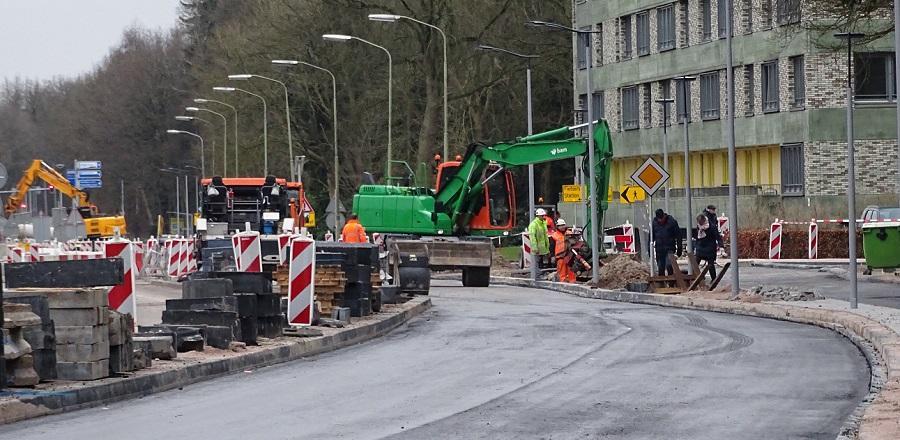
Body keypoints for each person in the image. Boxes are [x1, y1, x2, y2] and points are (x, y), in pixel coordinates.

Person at [652, 209, 682, 276]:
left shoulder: (671, 222)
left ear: (664, 216)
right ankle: (662, 284)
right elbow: (651, 236)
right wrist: (649, 249)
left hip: (669, 248)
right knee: (660, 268)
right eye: (659, 219)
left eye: (661, 219)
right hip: (659, 249)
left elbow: (678, 235)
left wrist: (679, 247)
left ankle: (671, 282)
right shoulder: (654, 223)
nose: (660, 221)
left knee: (669, 265)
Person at [695, 214, 718, 282]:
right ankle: (697, 277)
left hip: (710, 248)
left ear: (704, 220)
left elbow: (717, 236)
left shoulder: (712, 226)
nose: (700, 224)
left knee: (710, 265)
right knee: (696, 263)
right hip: (701, 247)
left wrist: (721, 247)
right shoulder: (699, 226)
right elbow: (698, 237)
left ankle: (713, 279)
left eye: (701, 223)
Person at [552, 219, 576, 283]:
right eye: (560, 225)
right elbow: (552, 246)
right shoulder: (554, 235)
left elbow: (574, 242)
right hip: (560, 256)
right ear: (557, 226)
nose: (562, 227)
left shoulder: (569, 233)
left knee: (571, 270)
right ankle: (563, 282)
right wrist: (552, 256)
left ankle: (572, 282)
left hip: (569, 255)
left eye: (563, 225)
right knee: (562, 271)